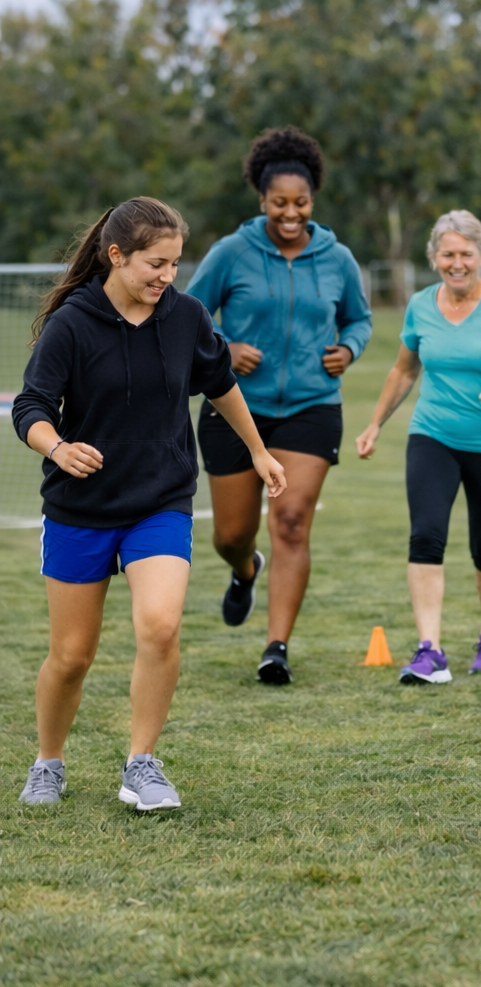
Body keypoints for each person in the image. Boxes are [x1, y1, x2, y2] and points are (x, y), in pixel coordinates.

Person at [12, 198, 286, 809]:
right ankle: (48, 761)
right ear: (117, 256)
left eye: (174, 265)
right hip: (79, 507)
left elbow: (220, 383)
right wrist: (57, 448)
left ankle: (142, 764)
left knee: (160, 628)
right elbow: (31, 407)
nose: (167, 277)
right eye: (155, 265)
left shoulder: (186, 316)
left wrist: (260, 452)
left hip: (160, 500)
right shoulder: (73, 323)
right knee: (71, 656)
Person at [186, 126, 372, 685]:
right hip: (235, 407)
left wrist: (349, 348)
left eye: (301, 202)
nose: (290, 213)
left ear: (312, 199)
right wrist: (224, 346)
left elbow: (358, 318)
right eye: (279, 203)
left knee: (291, 522)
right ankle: (244, 570)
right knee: (231, 535)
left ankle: (276, 647)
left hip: (312, 407)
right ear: (261, 200)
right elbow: (189, 313)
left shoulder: (336, 257)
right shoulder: (232, 253)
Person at [355, 210, 481, 683]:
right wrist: (375, 423)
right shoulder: (421, 305)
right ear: (434, 258)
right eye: (448, 254)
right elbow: (404, 370)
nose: (457, 263)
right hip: (433, 434)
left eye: (466, 253)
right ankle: (430, 651)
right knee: (425, 536)